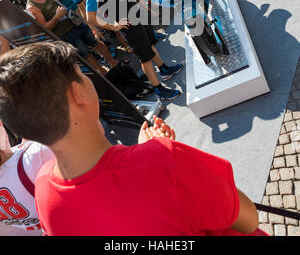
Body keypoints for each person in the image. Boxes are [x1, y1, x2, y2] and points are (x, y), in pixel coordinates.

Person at [0, 41, 267, 236]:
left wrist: (143, 154)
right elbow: (248, 219)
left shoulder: (44, 188)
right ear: (77, 94)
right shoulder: (164, 160)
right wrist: (157, 153)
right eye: (82, 74)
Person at [84, 0, 183, 101]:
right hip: (129, 27)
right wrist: (113, 26)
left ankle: (164, 69)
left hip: (138, 16)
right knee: (145, 58)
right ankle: (158, 90)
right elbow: (90, 17)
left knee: (150, 45)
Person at [18, 0, 118, 73]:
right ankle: (102, 72)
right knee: (85, 54)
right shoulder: (32, 8)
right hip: (65, 34)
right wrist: (57, 17)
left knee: (96, 41)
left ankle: (113, 62)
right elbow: (45, 28)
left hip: (75, 22)